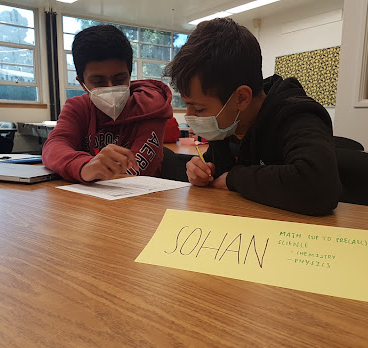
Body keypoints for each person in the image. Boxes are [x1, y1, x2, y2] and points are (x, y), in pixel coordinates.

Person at [164, 18, 341, 216]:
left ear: (241, 98)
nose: (190, 117)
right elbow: (217, 173)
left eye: (198, 109)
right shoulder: (228, 125)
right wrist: (200, 172)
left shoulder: (297, 115)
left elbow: (319, 186)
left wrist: (235, 178)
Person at [42, 25, 173, 182]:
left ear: (130, 75)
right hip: (88, 199)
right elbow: (54, 146)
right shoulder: (78, 108)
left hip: (142, 200)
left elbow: (134, 172)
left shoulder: (150, 107)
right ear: (82, 83)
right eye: (98, 82)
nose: (110, 88)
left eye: (119, 80)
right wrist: (84, 166)